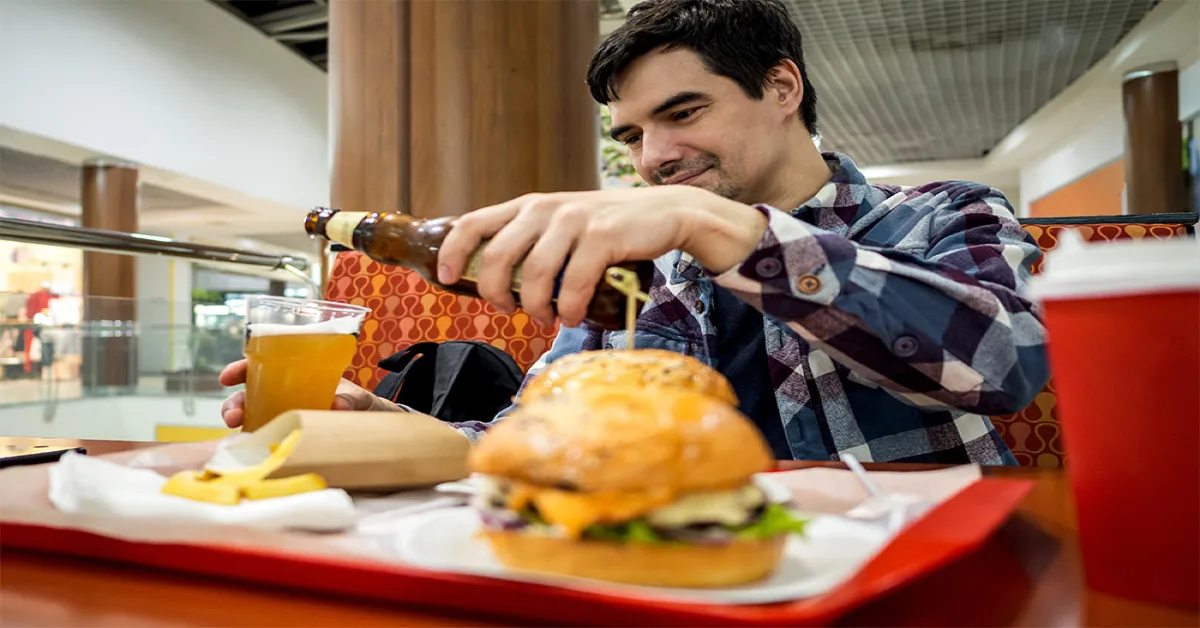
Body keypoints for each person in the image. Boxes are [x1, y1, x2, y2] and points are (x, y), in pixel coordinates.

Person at [221, 0, 1049, 464]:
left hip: (910, 580)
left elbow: (1003, 364)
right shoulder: (635, 277)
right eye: (631, 136)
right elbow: (538, 434)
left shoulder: (943, 213)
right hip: (669, 575)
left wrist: (716, 225)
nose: (654, 158)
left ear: (783, 85)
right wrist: (392, 428)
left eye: (683, 113)